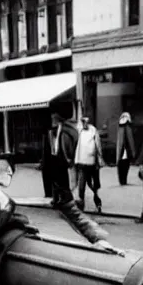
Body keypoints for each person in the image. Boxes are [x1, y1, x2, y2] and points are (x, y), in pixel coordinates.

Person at [43, 104, 120, 250]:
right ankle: (81, 206)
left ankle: (96, 232)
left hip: (86, 163)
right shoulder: (68, 131)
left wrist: (97, 160)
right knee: (80, 187)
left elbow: (87, 147)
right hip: (78, 164)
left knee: (88, 188)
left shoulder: (79, 131)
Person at [74, 116, 104, 213]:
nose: (85, 123)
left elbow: (97, 145)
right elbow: (98, 145)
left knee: (88, 184)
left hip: (89, 162)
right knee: (85, 184)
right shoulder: (81, 130)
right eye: (83, 122)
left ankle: (94, 203)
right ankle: (86, 204)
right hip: (84, 162)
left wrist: (99, 157)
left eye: (86, 121)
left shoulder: (87, 130)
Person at [116, 112, 137, 185]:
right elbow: (130, 140)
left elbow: (129, 140)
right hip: (124, 149)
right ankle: (123, 180)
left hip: (125, 149)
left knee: (123, 164)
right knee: (124, 164)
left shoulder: (125, 128)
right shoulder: (127, 128)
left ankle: (123, 180)